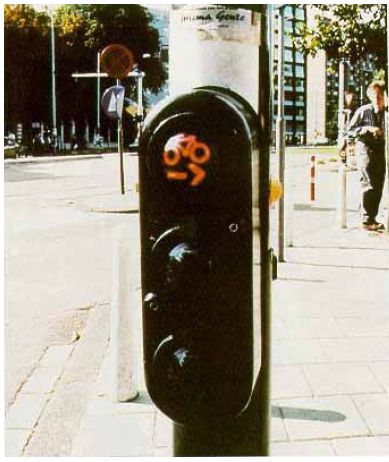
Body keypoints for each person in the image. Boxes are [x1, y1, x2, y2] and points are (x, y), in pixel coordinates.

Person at [346, 81, 386, 231]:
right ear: (370, 96)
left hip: (381, 151)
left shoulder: (385, 114)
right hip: (366, 150)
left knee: (378, 184)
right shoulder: (364, 111)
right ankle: (366, 220)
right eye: (375, 96)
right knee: (368, 183)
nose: (378, 100)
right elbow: (349, 131)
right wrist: (367, 129)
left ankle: (371, 217)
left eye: (381, 96)